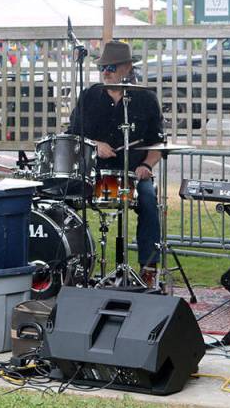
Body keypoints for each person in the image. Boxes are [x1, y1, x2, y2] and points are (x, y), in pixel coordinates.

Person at [67, 40, 164, 287]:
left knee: (149, 202)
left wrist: (147, 167)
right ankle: (69, 266)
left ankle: (149, 270)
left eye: (111, 67)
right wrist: (94, 144)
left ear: (127, 67)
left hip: (132, 175)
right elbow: (72, 135)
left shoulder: (146, 99)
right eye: (103, 68)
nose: (106, 72)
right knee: (60, 201)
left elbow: (157, 145)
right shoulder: (89, 96)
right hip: (93, 175)